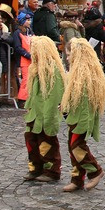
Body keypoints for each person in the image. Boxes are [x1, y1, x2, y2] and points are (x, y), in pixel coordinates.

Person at [60, 38, 105, 192]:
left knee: (77, 146)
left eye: (69, 55)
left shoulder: (85, 75)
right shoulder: (76, 71)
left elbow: (87, 104)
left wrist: (84, 123)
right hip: (74, 116)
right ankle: (77, 178)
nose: (67, 58)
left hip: (81, 119)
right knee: (72, 147)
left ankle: (96, 171)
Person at [22, 36, 64, 183]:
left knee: (47, 142)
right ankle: (35, 167)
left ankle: (52, 170)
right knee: (31, 140)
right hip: (35, 113)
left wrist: (50, 115)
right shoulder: (35, 67)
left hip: (46, 113)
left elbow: (54, 95)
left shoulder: (53, 69)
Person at [13, 14, 33, 102]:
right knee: (26, 79)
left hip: (31, 59)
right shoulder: (17, 33)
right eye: (27, 20)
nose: (29, 22)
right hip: (23, 60)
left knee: (30, 79)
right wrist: (28, 55)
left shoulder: (30, 31)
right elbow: (17, 47)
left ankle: (29, 98)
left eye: (30, 20)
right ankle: (22, 99)